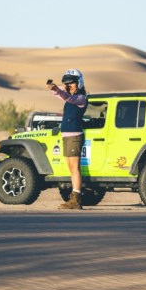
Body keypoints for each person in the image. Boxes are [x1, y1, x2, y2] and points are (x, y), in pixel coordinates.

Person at [47, 69, 88, 209]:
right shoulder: (68, 96)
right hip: (67, 136)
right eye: (67, 84)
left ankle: (76, 200)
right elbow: (57, 94)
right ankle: (73, 198)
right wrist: (53, 88)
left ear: (79, 83)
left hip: (74, 135)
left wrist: (58, 90)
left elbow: (68, 98)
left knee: (75, 169)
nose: (69, 86)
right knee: (71, 169)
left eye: (72, 83)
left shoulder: (81, 98)